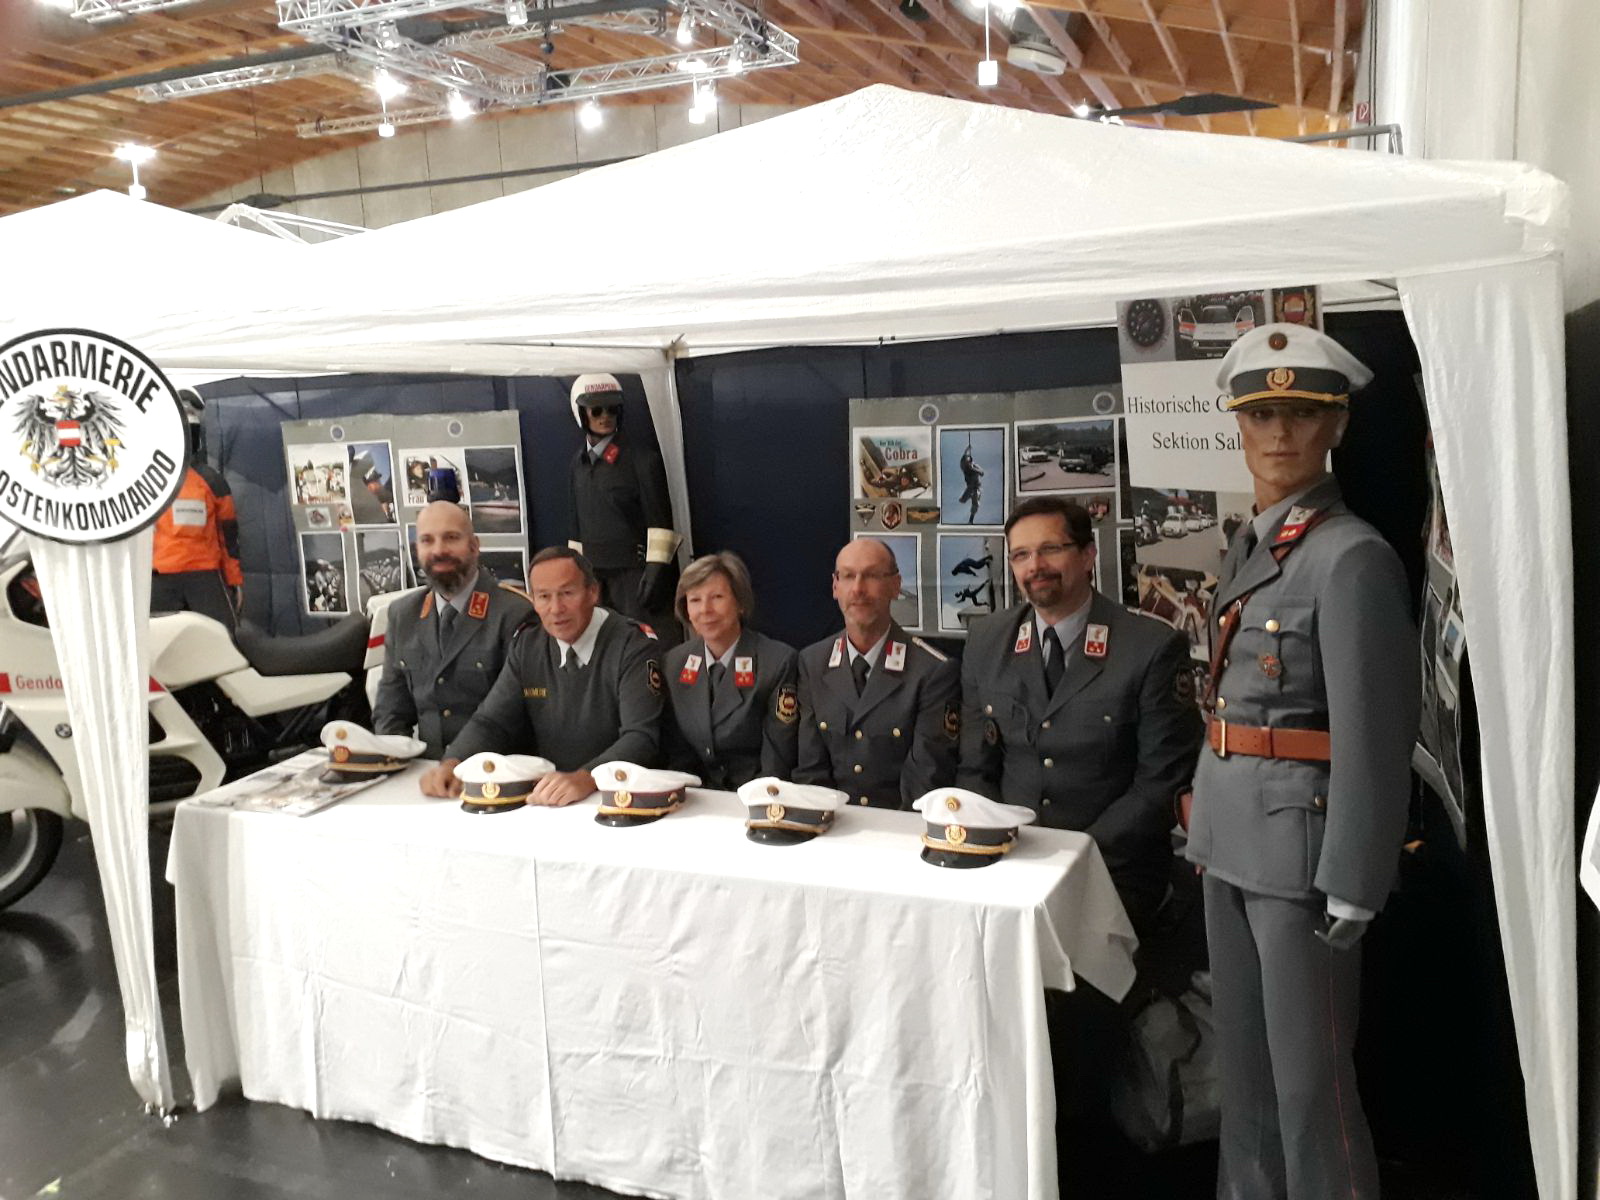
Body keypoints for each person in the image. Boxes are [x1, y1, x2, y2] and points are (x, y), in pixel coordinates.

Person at [1185, 323, 1418, 1200]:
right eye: (1261, 415)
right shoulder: (1254, 545)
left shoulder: (1350, 556)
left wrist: (1356, 874)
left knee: (1309, 1091)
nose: (1279, 433)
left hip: (1300, 859)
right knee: (1243, 1086)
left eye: (1303, 414)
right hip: (1230, 841)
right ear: (1239, 428)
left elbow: (1376, 729)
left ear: (1338, 425)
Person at [958, 496, 1201, 936]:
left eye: (1050, 549)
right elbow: (976, 766)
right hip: (1008, 861)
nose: (1035, 566)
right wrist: (996, 841)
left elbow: (1161, 783)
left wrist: (1074, 855)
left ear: (1088, 556)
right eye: (1021, 555)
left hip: (1112, 871)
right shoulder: (987, 640)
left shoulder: (1150, 647)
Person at [419, 546, 664, 807]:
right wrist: (453, 762)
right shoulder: (527, 645)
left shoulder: (632, 645)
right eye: (544, 596)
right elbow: (492, 721)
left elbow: (641, 737)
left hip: (621, 798)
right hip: (549, 797)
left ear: (593, 592)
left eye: (567, 593)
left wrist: (587, 778)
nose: (556, 608)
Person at [794, 538, 959, 808]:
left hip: (899, 826)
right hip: (830, 823)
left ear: (896, 585)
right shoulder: (813, 663)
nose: (858, 589)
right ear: (835, 586)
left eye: (871, 576)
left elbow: (925, 783)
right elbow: (811, 772)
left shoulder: (932, 671)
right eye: (848, 576)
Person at [373, 500, 533, 759]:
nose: (439, 550)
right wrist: (394, 762)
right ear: (416, 549)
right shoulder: (403, 615)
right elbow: (390, 711)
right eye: (427, 540)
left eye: (451, 538)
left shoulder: (514, 614)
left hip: (495, 771)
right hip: (427, 770)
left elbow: (511, 712)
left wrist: (453, 764)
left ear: (474, 546)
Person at [661, 551, 799, 790]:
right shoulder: (674, 663)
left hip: (756, 797)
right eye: (695, 600)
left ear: (740, 603)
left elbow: (777, 762)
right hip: (695, 797)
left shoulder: (777, 662)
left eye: (717, 597)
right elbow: (676, 754)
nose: (705, 610)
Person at [566, 373, 680, 629]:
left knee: (642, 640)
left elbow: (660, 522)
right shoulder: (577, 465)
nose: (605, 416)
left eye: (612, 409)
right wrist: (574, 574)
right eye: (596, 410)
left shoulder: (642, 460)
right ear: (581, 413)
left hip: (633, 576)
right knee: (600, 641)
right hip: (594, 577)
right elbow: (576, 528)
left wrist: (655, 570)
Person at [151, 387, 242, 631]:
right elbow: (228, 538)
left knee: (223, 642)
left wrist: (233, 579)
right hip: (166, 578)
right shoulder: (148, 480)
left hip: (200, 578)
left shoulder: (210, 481)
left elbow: (228, 536)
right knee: (160, 646)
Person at [958, 439, 985, 523]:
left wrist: (974, 469)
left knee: (975, 503)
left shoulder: (975, 466)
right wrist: (967, 449)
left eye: (969, 461)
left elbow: (982, 472)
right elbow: (964, 456)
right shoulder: (964, 467)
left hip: (976, 487)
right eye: (967, 461)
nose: (968, 462)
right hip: (970, 487)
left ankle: (971, 519)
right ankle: (969, 495)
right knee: (962, 500)